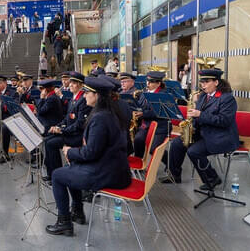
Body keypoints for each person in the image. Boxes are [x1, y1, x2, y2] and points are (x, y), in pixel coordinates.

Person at [45, 77, 131, 236]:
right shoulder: (110, 112)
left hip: (107, 173)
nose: (84, 96)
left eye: (87, 93)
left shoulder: (100, 118)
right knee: (69, 169)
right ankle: (77, 211)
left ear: (97, 95)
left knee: (57, 175)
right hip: (115, 168)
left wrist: (70, 151)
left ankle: (64, 222)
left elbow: (91, 152)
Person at [161, 69, 239, 189]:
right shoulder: (203, 96)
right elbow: (198, 116)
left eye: (206, 82)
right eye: (201, 82)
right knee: (177, 143)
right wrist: (189, 124)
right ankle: (174, 175)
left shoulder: (227, 99)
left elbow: (224, 121)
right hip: (204, 132)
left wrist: (200, 115)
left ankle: (212, 178)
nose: (202, 85)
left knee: (194, 151)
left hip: (221, 136)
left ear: (216, 82)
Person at [44, 72, 91, 184]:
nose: (70, 85)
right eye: (70, 82)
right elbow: (67, 119)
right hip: (70, 132)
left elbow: (79, 124)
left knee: (51, 144)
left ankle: (56, 174)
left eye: (74, 83)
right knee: (48, 139)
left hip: (77, 136)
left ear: (80, 85)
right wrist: (57, 126)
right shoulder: (73, 99)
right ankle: (51, 173)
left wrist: (61, 131)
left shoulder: (83, 100)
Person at [133, 71, 171, 158]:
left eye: (151, 82)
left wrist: (143, 113)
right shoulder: (145, 91)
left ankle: (170, 161)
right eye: (147, 81)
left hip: (160, 126)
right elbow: (140, 105)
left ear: (158, 83)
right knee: (138, 140)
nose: (148, 83)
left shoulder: (164, 94)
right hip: (146, 124)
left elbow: (158, 112)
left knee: (153, 149)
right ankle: (138, 162)